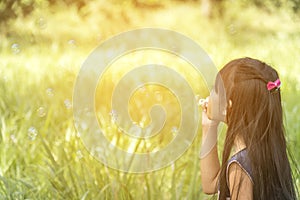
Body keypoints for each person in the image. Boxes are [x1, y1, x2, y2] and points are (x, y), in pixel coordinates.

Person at [199, 57, 298, 199]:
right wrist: (208, 127)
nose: (210, 94)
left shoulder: (240, 166)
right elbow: (210, 184)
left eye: (215, 89)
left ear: (228, 107)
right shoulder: (264, 151)